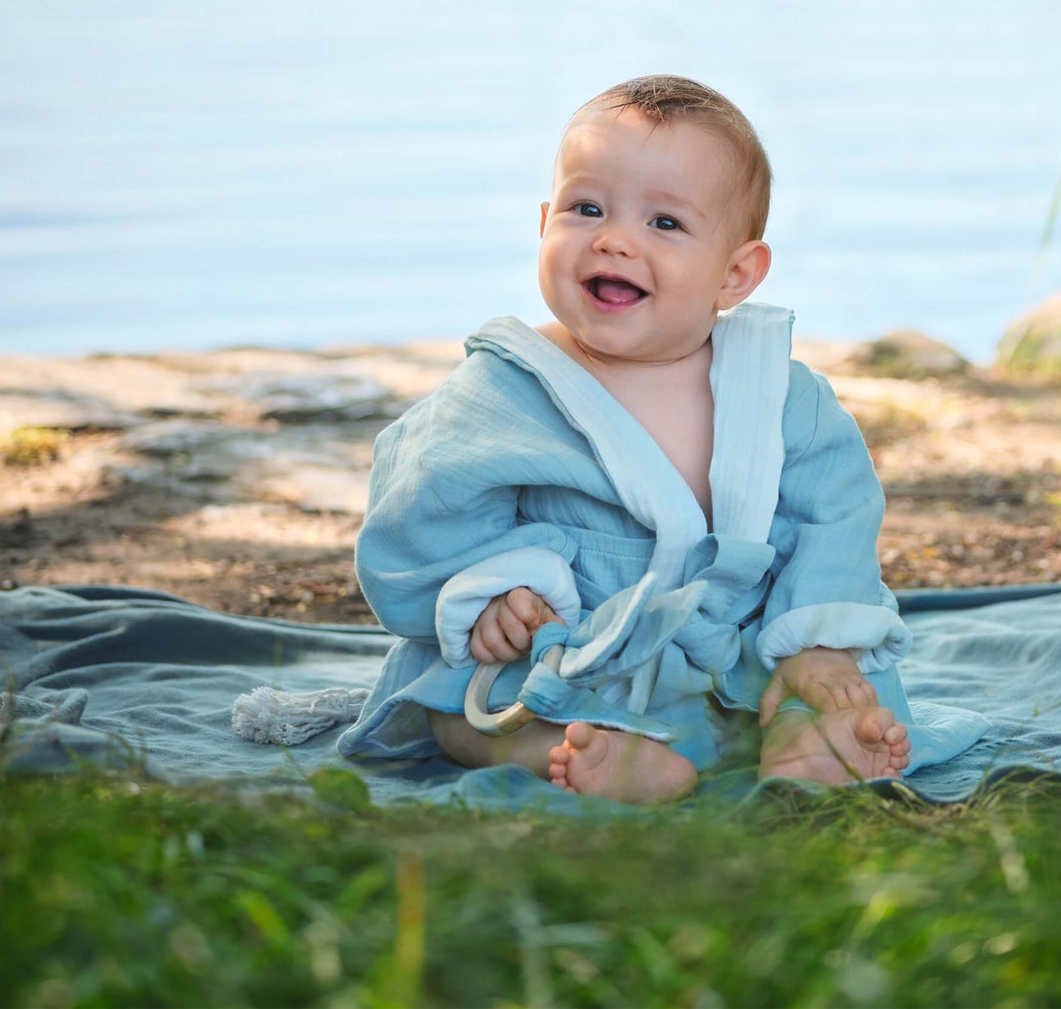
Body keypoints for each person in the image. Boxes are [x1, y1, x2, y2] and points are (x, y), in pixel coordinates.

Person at [343, 75, 918, 803]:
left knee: (828, 682)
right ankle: (564, 749)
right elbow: (420, 509)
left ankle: (805, 735)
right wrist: (498, 593)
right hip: (567, 650)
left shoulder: (778, 394)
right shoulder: (506, 390)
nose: (613, 239)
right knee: (456, 709)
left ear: (736, 273)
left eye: (666, 224)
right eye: (587, 209)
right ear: (544, 222)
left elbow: (834, 515)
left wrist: (819, 643)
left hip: (733, 651)